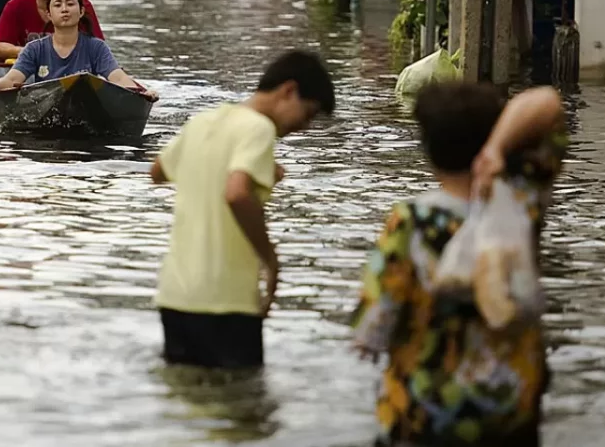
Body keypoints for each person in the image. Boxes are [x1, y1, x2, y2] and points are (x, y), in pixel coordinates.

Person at [351, 83, 567, 446]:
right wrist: (497, 149)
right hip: (510, 412)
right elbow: (548, 102)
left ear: (429, 149)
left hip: (428, 416)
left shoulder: (411, 222)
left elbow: (374, 325)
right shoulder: (520, 202)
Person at [148, 51, 335, 368]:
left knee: (188, 404)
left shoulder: (203, 121)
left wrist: (249, 166)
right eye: (308, 113)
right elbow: (236, 193)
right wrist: (270, 260)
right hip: (227, 300)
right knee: (245, 411)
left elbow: (157, 172)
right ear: (288, 91)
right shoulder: (259, 128)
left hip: (176, 297)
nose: (304, 126)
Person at [0, 0, 153, 97]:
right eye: (57, 5)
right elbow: (12, 79)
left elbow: (118, 77)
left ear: (81, 11)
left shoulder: (96, 47)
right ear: (49, 14)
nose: (64, 9)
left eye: (70, 4)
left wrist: (143, 93)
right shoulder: (34, 49)